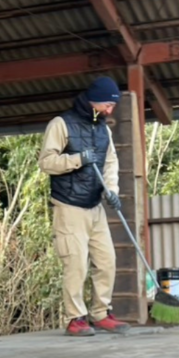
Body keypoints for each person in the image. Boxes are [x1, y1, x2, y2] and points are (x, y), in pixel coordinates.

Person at [39, 76, 131, 337]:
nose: (110, 111)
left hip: (95, 206)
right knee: (76, 263)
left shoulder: (103, 129)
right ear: (94, 101)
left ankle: (101, 313)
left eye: (112, 106)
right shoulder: (61, 124)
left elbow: (110, 162)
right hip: (68, 206)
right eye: (107, 105)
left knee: (107, 260)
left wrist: (112, 191)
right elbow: (46, 162)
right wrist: (78, 159)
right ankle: (75, 318)